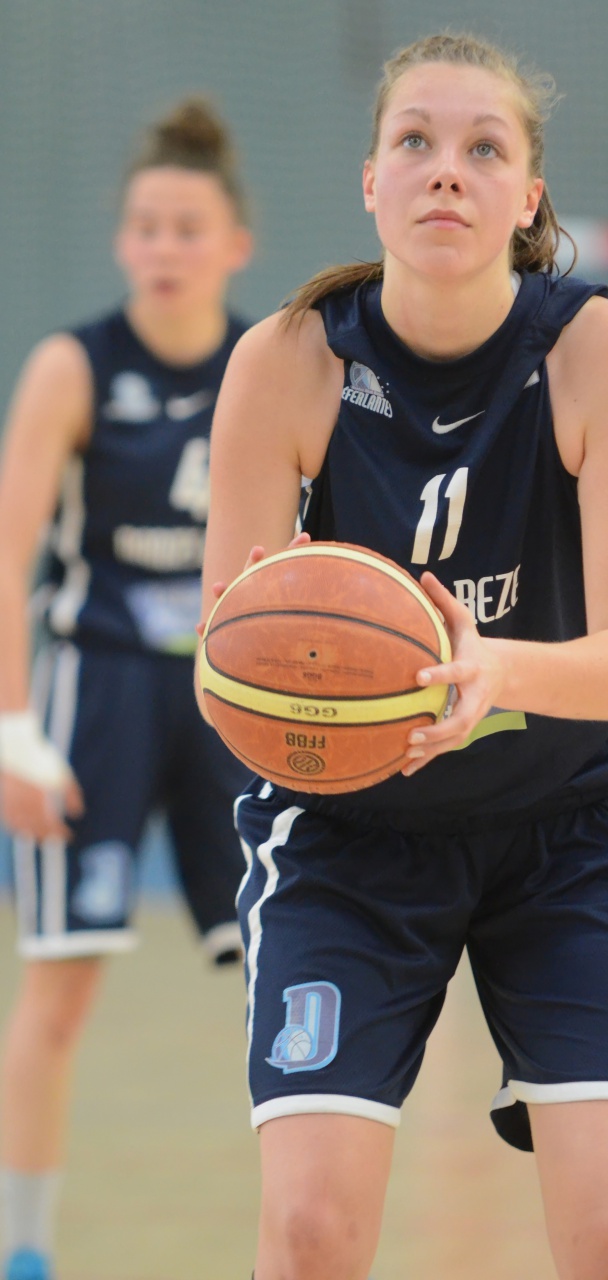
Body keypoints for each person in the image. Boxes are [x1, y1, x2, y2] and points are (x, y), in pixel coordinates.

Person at [199, 32, 608, 1280]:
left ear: (527, 198)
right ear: (372, 179)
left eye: (484, 149)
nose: (446, 171)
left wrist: (492, 673)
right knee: (309, 1232)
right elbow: (224, 661)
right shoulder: (289, 360)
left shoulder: (601, 355)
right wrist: (304, 672)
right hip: (349, 834)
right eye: (415, 141)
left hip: (571, 825)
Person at [0, 98, 255, 1280]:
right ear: (121, 241)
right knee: (56, 997)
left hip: (227, 693)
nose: (164, 246)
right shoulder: (74, 365)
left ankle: (302, 1231)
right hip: (93, 687)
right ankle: (24, 1250)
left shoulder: (266, 366)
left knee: (289, 975)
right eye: (146, 226)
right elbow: (9, 554)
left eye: (187, 228)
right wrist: (11, 725)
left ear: (234, 244)